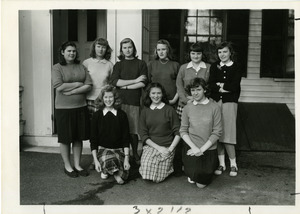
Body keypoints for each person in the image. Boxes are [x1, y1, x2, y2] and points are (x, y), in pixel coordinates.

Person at [52, 41, 92, 178]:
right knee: (65, 138)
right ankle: (67, 166)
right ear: (62, 52)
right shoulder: (57, 68)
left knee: (78, 137)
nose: (72, 53)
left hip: (81, 107)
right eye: (69, 51)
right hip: (63, 108)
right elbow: (58, 86)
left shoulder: (81, 67)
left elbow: (89, 85)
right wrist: (77, 84)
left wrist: (72, 92)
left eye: (74, 51)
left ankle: (77, 164)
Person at [110, 38, 148, 165]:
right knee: (121, 128)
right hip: (120, 101)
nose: (127, 50)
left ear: (134, 48)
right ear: (121, 50)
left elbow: (142, 82)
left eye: (130, 47)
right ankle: (121, 154)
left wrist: (125, 86)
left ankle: (135, 153)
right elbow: (115, 82)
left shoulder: (141, 63)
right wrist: (134, 80)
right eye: (124, 48)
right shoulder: (118, 65)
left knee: (133, 130)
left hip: (134, 100)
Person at [180, 77, 222, 188]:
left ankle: (201, 171)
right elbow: (183, 131)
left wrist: (201, 150)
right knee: (194, 178)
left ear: (204, 90)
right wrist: (194, 148)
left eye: (198, 89)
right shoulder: (187, 108)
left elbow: (217, 132)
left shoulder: (215, 107)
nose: (195, 93)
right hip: (191, 148)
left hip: (208, 149)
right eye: (193, 90)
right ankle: (192, 171)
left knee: (200, 185)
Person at [208, 41, 242, 177]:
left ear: (230, 53)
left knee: (228, 133)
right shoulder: (214, 67)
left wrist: (222, 86)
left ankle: (233, 164)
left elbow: (234, 86)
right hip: (216, 102)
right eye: (220, 52)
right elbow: (211, 84)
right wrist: (221, 86)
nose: (222, 55)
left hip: (230, 102)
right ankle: (221, 164)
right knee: (218, 132)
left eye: (225, 52)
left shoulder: (236, 66)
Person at [139, 83, 181, 183]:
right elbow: (144, 135)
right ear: (149, 94)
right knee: (147, 171)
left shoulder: (169, 110)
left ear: (162, 95)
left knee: (158, 178)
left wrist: (170, 149)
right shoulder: (145, 111)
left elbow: (178, 132)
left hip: (168, 146)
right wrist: (159, 148)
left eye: (159, 93)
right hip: (151, 146)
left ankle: (169, 166)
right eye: (153, 93)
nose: (156, 96)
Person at [90, 85, 131, 184]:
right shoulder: (97, 115)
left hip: (119, 150)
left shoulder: (122, 115)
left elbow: (126, 139)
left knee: (123, 176)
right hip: (104, 150)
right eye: (106, 97)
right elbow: (93, 140)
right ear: (102, 98)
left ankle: (108, 170)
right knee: (111, 163)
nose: (108, 100)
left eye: (111, 97)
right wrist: (95, 161)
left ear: (115, 98)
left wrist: (126, 159)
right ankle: (112, 171)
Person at [176, 42, 211, 119]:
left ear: (202, 54)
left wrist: (200, 99)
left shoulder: (208, 67)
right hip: (185, 103)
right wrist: (186, 100)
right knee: (184, 127)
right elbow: (179, 86)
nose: (196, 56)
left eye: (198, 53)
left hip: (203, 104)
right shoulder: (183, 68)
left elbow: (209, 86)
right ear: (189, 54)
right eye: (193, 53)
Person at [82, 37, 113, 118]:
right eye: (98, 46)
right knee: (90, 123)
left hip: (104, 99)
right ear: (94, 48)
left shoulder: (109, 65)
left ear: (106, 49)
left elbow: (111, 83)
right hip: (89, 99)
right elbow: (83, 81)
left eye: (103, 47)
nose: (101, 49)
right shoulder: (86, 63)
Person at [147, 39, 180, 106]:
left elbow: (180, 85)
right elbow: (147, 84)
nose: (161, 52)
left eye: (163, 49)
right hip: (154, 101)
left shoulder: (175, 65)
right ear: (156, 51)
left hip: (171, 100)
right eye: (158, 50)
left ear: (168, 50)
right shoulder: (151, 64)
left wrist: (174, 100)